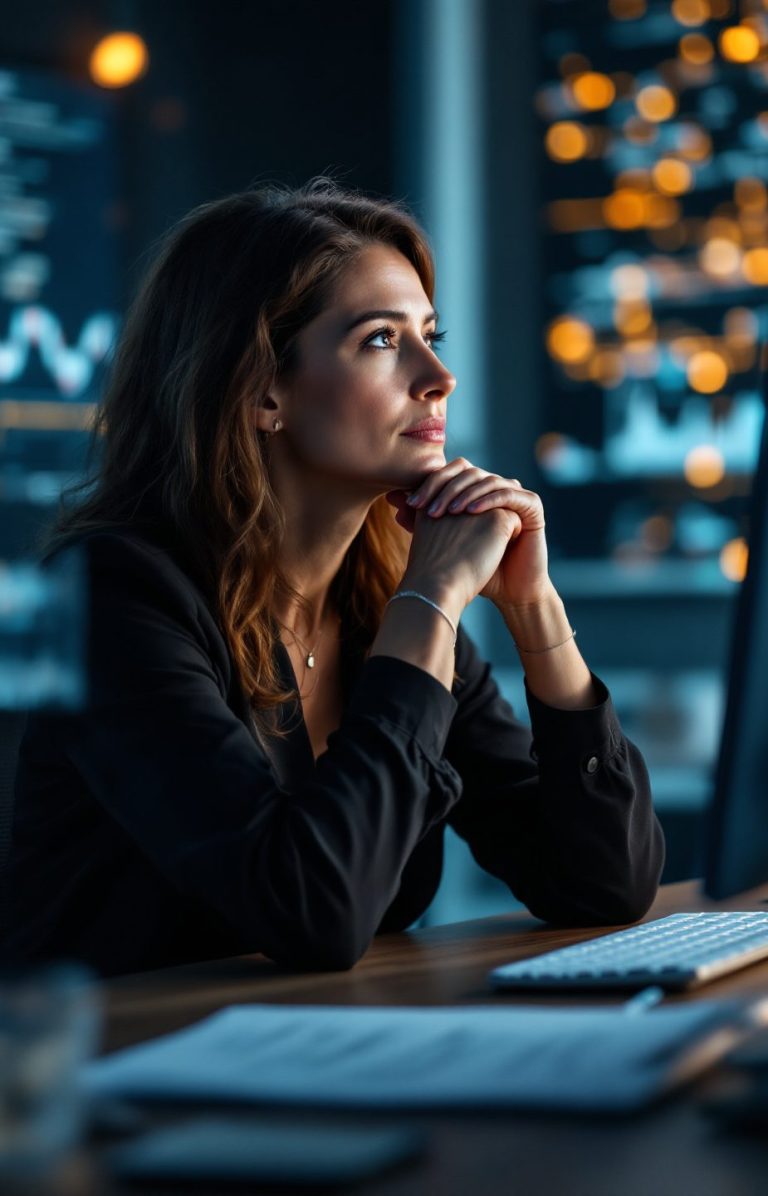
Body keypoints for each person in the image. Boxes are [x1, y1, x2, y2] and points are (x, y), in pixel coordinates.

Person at [3, 177, 664, 977]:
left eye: (432, 334)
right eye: (382, 341)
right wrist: (432, 602)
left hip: (302, 1061)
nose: (438, 377)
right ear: (261, 390)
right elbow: (309, 909)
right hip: (104, 1073)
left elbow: (604, 882)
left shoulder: (380, 598)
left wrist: (533, 609)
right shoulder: (111, 594)